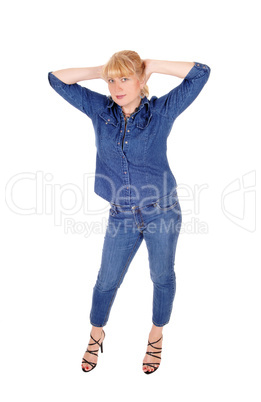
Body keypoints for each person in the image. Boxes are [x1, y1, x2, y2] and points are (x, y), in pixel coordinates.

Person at [48, 50, 210, 374]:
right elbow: (56, 79)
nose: (117, 86)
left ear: (141, 81)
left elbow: (201, 73)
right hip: (120, 215)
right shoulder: (100, 111)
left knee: (161, 277)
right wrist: (101, 70)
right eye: (112, 80)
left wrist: (153, 66)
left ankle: (156, 334)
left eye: (125, 78)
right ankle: (96, 334)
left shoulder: (161, 112)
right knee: (105, 282)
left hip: (161, 211)